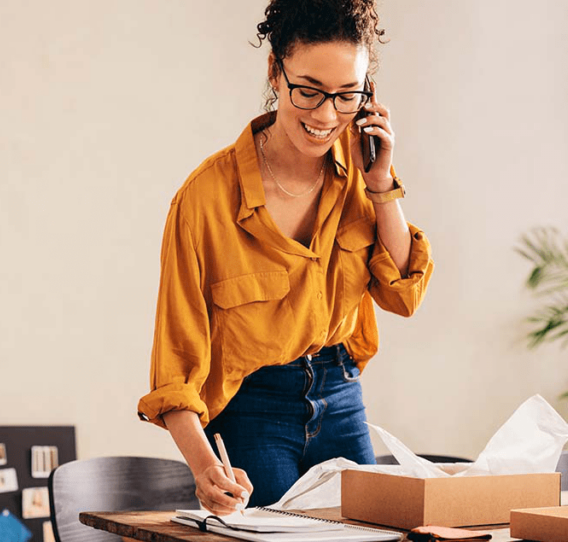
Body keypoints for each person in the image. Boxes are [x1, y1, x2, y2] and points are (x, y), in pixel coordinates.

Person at [137, 0, 433, 515]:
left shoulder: (360, 173)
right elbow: (175, 366)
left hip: (341, 393)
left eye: (347, 96)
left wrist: (382, 183)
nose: (325, 115)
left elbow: (403, 294)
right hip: (253, 407)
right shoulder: (206, 199)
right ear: (275, 71)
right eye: (309, 90)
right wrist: (206, 467)